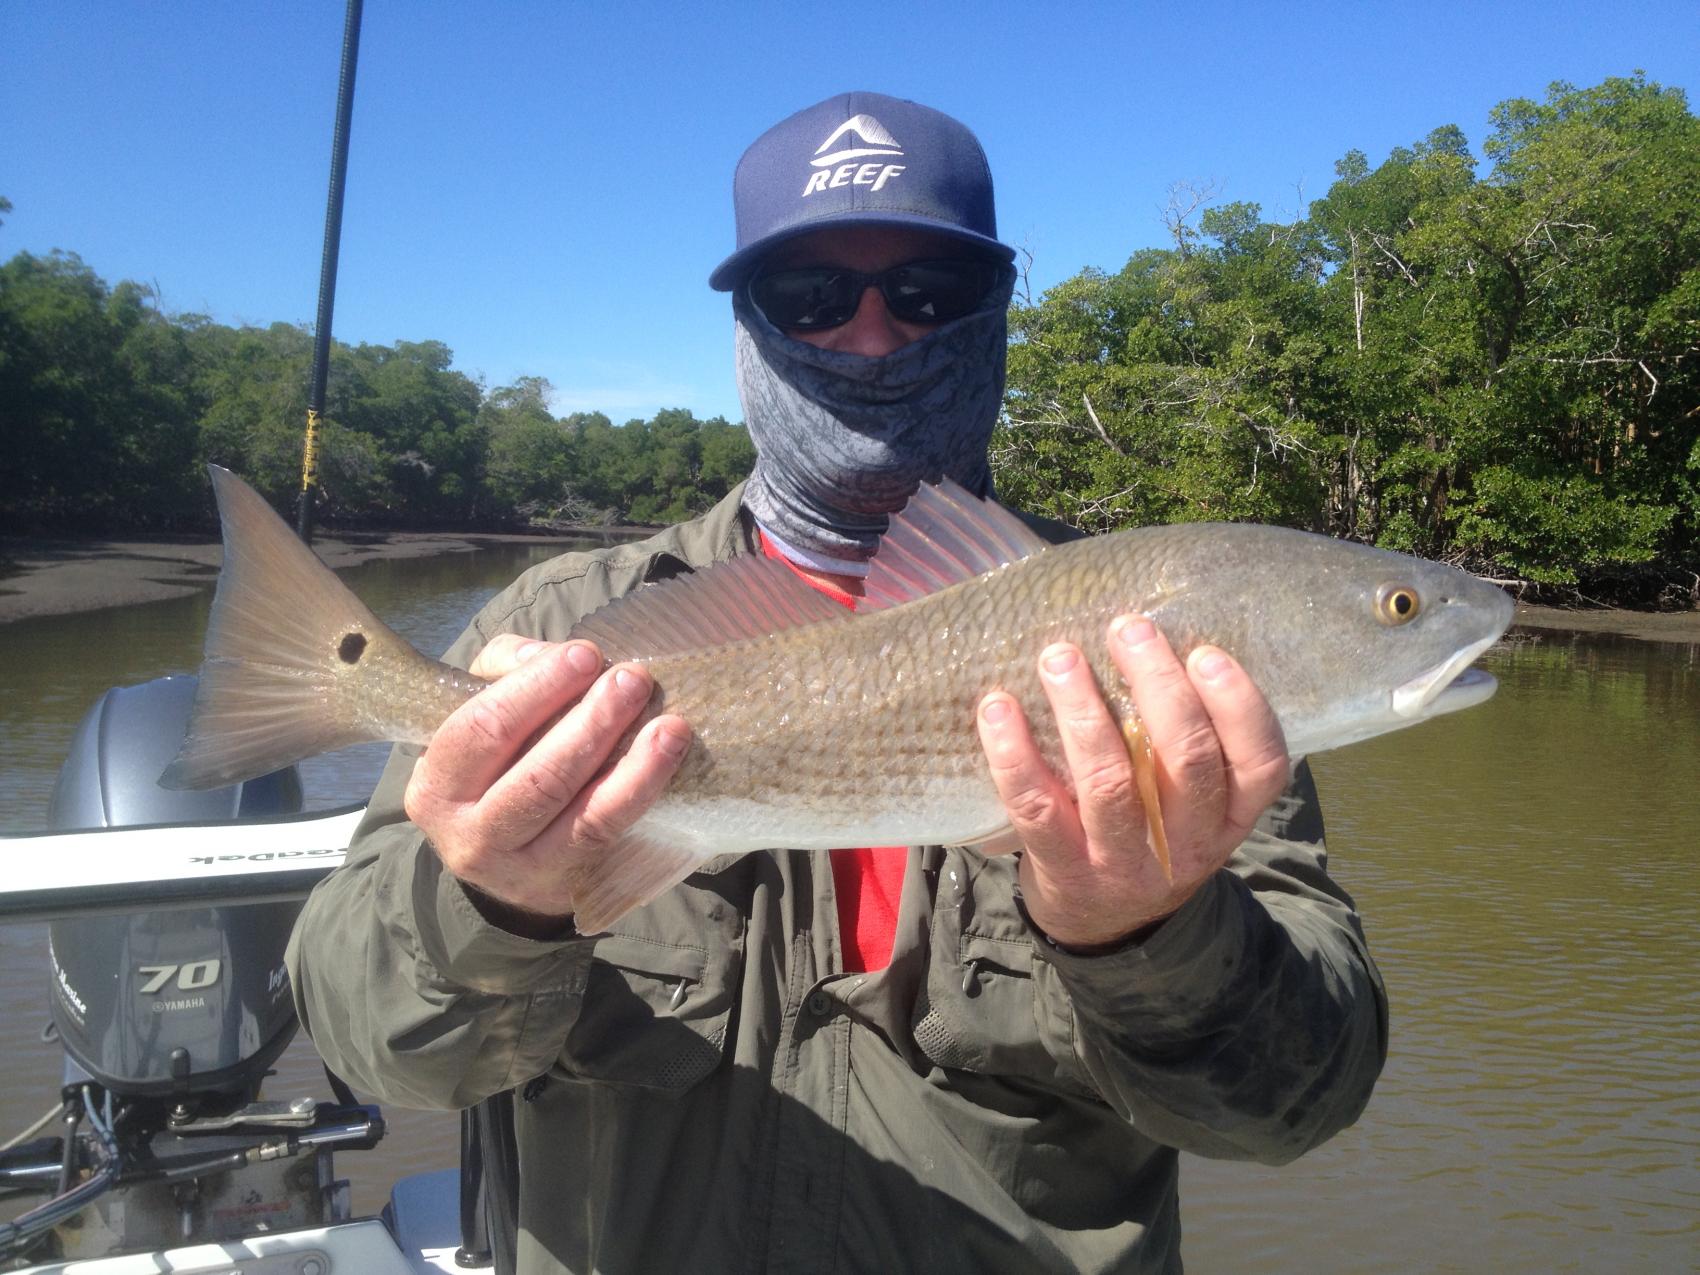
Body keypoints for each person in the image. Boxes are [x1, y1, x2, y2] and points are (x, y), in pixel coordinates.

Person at [286, 91, 1386, 1274]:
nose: (874, 338)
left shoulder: (1152, 657)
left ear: (996, 309)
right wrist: (489, 908)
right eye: (809, 296)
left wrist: (1149, 939)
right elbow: (375, 1048)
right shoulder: (560, 630)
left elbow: (1287, 1109)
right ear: (745, 327)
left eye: (929, 293)